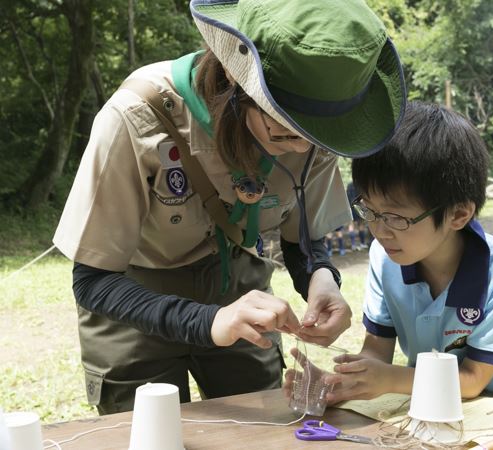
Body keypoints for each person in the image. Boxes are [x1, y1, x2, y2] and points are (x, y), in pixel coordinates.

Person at [52, 0, 406, 414]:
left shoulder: (314, 129)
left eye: (317, 139)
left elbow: (303, 243)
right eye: (283, 135)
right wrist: (207, 322)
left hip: (240, 286)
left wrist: (320, 279)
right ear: (236, 87)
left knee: (260, 427)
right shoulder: (137, 118)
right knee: (149, 430)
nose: (304, 150)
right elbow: (93, 280)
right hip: (134, 293)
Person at [297, 101, 493, 402]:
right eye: (370, 211)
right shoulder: (385, 257)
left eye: (396, 218)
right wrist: (340, 383)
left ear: (458, 215)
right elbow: (377, 350)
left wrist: (390, 379)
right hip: (431, 404)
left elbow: (471, 382)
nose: (380, 230)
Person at [346, 181, 370, 251]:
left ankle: (353, 245)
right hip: (359, 207)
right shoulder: (359, 185)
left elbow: (347, 196)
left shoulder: (349, 185)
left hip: (350, 207)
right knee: (361, 225)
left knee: (351, 226)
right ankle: (362, 244)